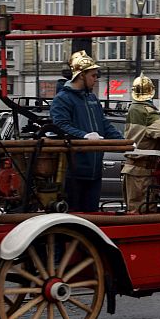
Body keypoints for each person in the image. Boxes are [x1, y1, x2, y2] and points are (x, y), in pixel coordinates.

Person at [48, 51, 124, 212]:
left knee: (91, 215)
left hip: (94, 172)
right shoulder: (62, 99)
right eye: (93, 76)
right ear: (81, 75)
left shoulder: (92, 98)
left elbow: (104, 125)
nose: (96, 80)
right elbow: (61, 125)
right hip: (73, 173)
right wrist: (84, 136)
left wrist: (124, 143)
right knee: (75, 216)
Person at [121, 75, 160, 212]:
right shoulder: (146, 111)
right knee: (143, 212)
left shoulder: (134, 108)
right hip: (141, 172)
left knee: (135, 211)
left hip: (134, 170)